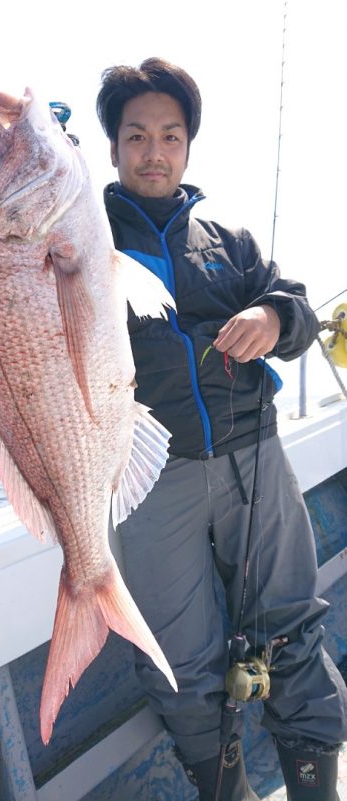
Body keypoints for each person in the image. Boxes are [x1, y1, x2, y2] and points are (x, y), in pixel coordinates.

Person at [96, 58, 347, 801]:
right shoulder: (80, 240)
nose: (154, 151)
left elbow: (296, 307)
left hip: (254, 457)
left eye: (170, 136)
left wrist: (272, 317)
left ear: (187, 147)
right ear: (112, 148)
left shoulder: (228, 239)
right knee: (180, 662)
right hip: (149, 476)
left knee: (294, 628)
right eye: (137, 135)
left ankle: (313, 788)